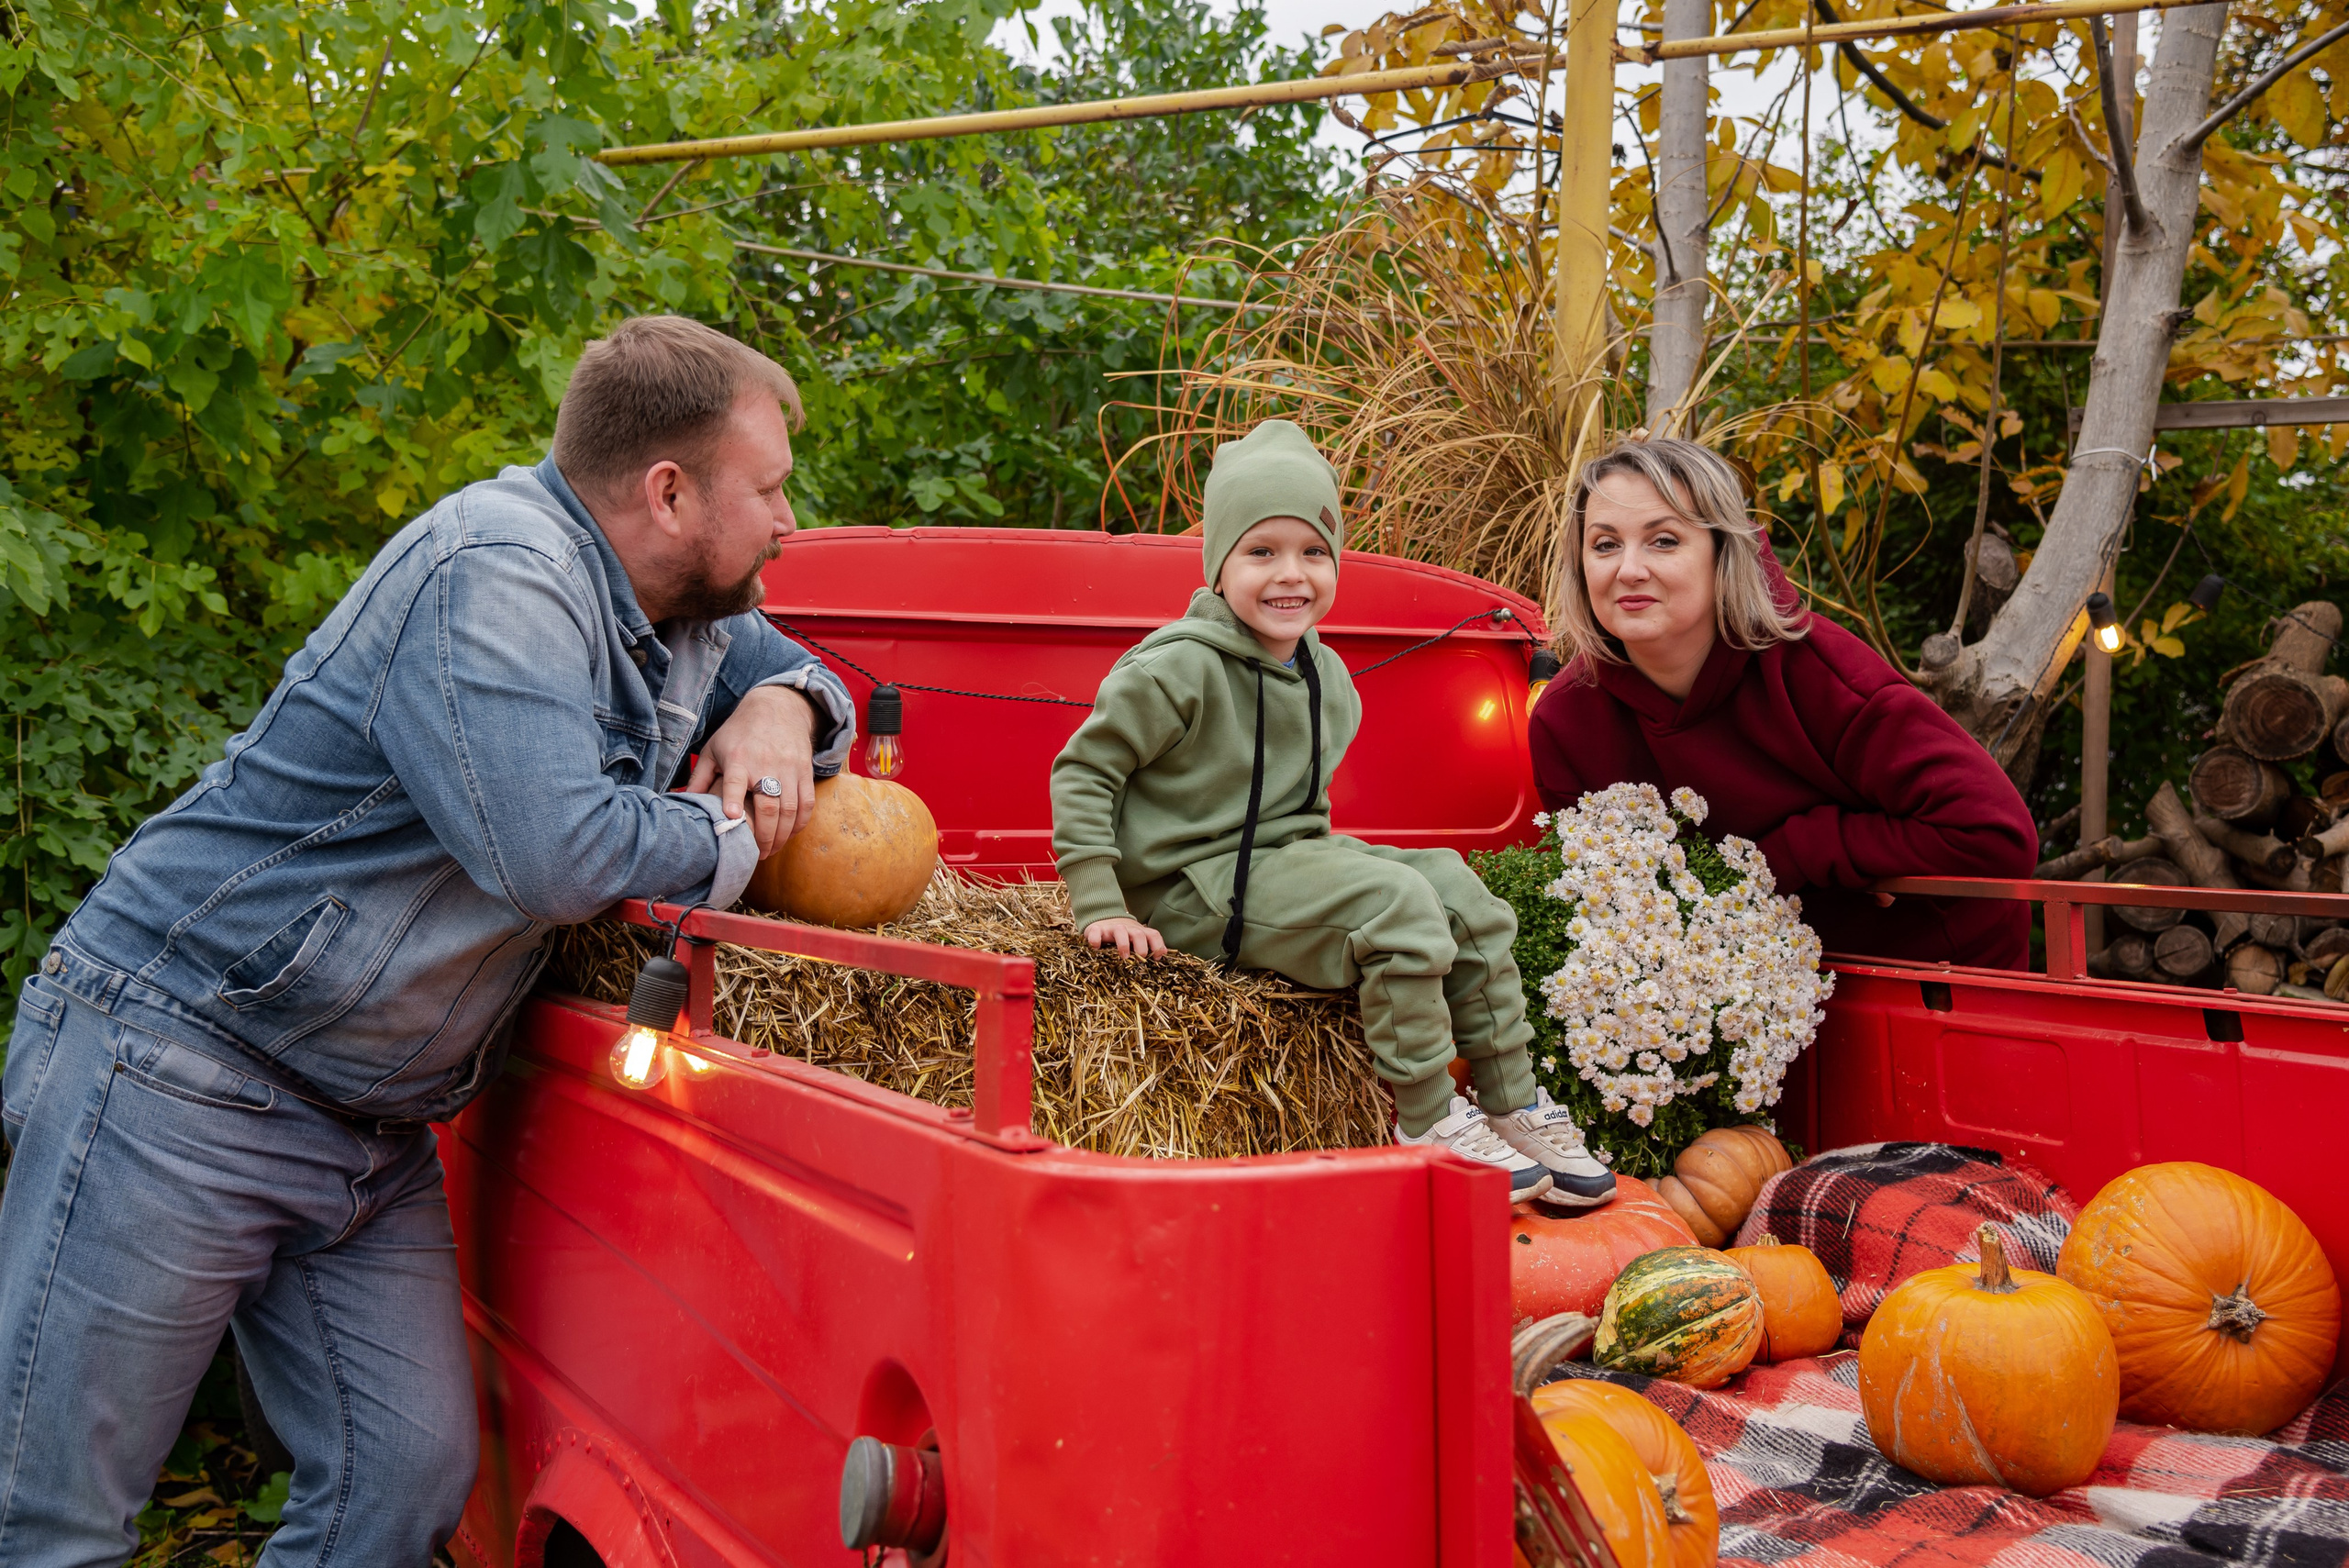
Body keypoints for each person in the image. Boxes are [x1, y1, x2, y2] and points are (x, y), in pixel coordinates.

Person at [0, 315, 855, 1564]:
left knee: (401, 1482)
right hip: (179, 1066)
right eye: (770, 487)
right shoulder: (496, 571)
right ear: (669, 491)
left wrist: (788, 703)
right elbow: (556, 854)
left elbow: (824, 683)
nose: (791, 518)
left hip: (365, 1121)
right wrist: (736, 837)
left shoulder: (688, 608)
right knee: (59, 1517)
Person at [1050, 419, 1615, 1208]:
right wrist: (1103, 902)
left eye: (1314, 551)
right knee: (1398, 908)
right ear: (1219, 565)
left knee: (1464, 894)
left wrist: (1334, 870)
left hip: (1272, 867)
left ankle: (1512, 1101)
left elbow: (1298, 820)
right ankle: (1422, 1119)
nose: (1293, 574)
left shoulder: (1328, 677)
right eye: (1262, 552)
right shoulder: (1173, 669)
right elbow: (1083, 772)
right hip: (1184, 893)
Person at [1531, 435, 2038, 968]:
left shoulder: (1817, 671)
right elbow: (1607, 901)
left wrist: (1796, 851)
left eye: (1663, 541)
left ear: (1722, 552)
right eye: (1605, 544)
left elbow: (1994, 835)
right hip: (1724, 1003)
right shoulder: (1566, 720)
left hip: (1928, 975)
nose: (1628, 569)